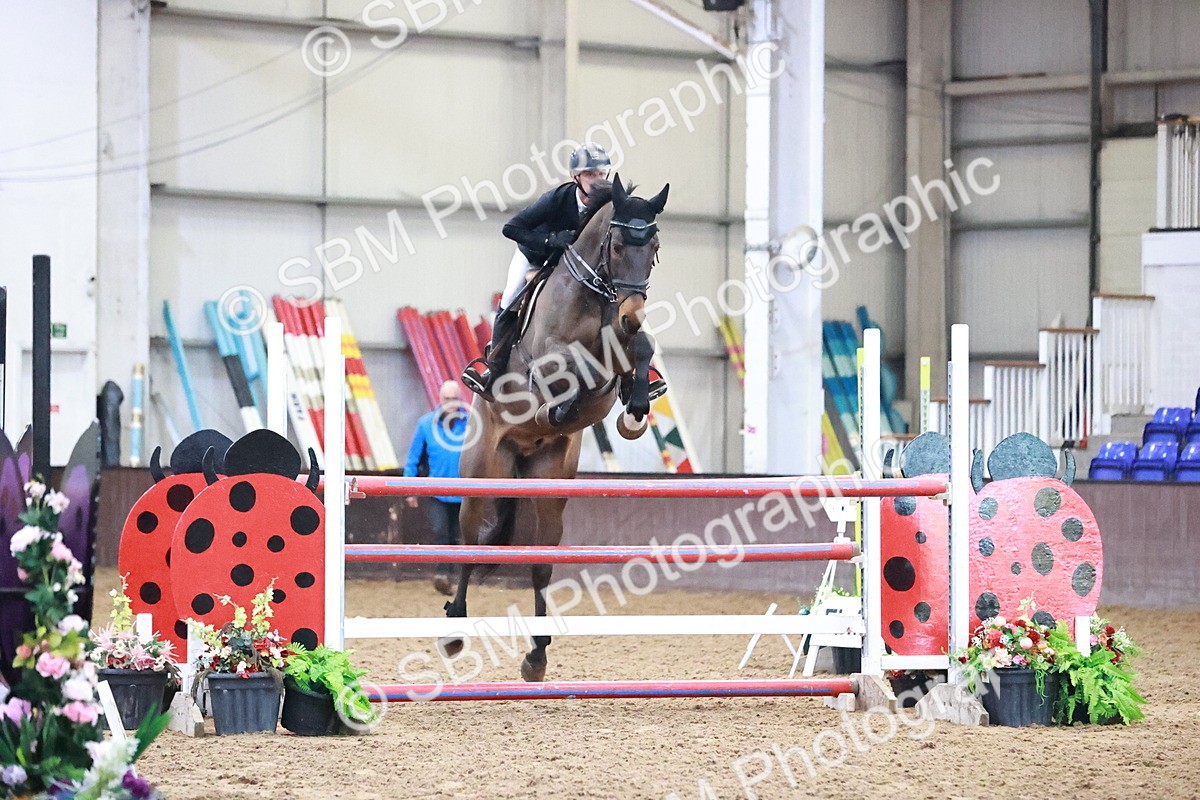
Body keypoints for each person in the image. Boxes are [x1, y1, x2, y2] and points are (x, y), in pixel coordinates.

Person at [462, 142, 614, 399]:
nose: (598, 181)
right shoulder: (557, 199)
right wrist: (551, 240)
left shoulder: (609, 204)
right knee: (510, 298)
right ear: (575, 177)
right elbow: (512, 228)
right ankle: (494, 370)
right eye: (590, 175)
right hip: (536, 258)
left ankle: (635, 376)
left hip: (579, 268)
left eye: (601, 174)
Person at [403, 380, 468, 595]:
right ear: (440, 400)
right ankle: (443, 574)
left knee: (458, 536)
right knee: (441, 532)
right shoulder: (425, 425)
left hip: (464, 494)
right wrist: (409, 489)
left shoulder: (471, 425)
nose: (451, 403)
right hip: (437, 491)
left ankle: (454, 577)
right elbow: (413, 459)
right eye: (447, 399)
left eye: (454, 399)